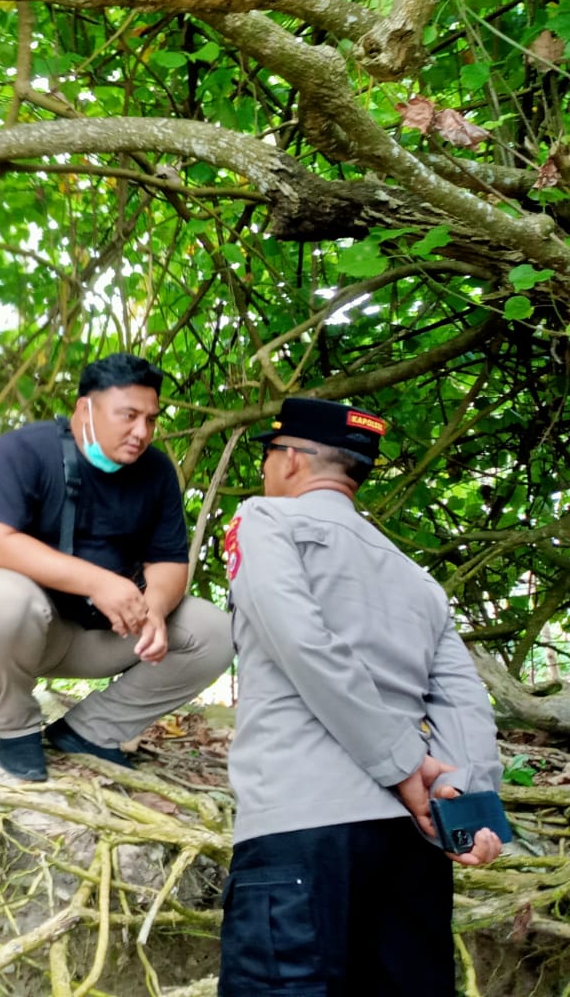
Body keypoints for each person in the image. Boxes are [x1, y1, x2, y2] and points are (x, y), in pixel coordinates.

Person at [219, 397, 504, 996]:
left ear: (292, 459)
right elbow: (463, 701)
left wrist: (402, 765)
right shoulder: (415, 576)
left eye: (269, 456)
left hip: (300, 828)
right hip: (413, 845)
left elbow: (304, 643)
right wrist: (468, 804)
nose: (266, 471)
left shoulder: (265, 521)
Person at [0, 352, 231, 781]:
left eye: (151, 419)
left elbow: (171, 562)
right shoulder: (24, 450)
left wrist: (154, 607)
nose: (141, 432)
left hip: (108, 634)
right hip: (26, 630)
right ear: (85, 408)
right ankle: (17, 727)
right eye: (129, 415)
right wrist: (97, 581)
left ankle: (91, 730)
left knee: (214, 632)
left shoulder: (156, 472)